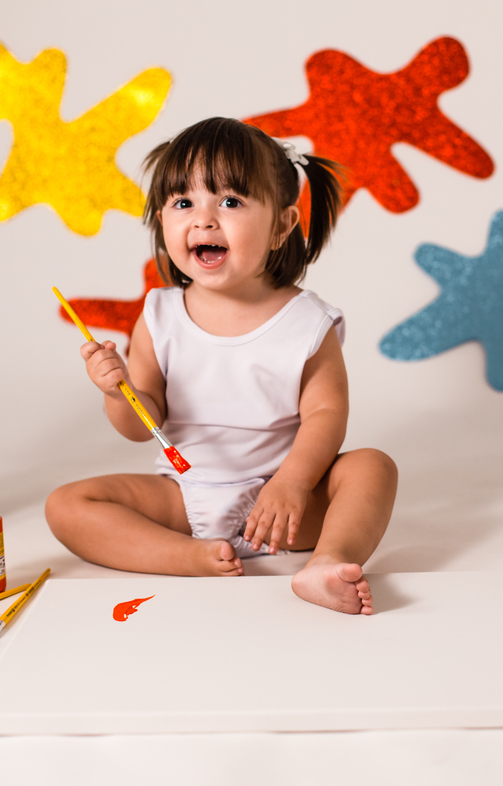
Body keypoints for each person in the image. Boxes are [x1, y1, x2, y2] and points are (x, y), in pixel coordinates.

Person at [46, 118, 397, 615]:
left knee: (372, 468)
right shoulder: (159, 315)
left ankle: (326, 561)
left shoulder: (306, 322)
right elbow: (140, 426)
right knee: (66, 505)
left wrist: (292, 485)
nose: (204, 220)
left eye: (230, 202)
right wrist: (115, 391)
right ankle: (188, 556)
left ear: (281, 225)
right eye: (183, 203)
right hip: (183, 499)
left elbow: (326, 416)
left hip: (284, 504)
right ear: (162, 221)